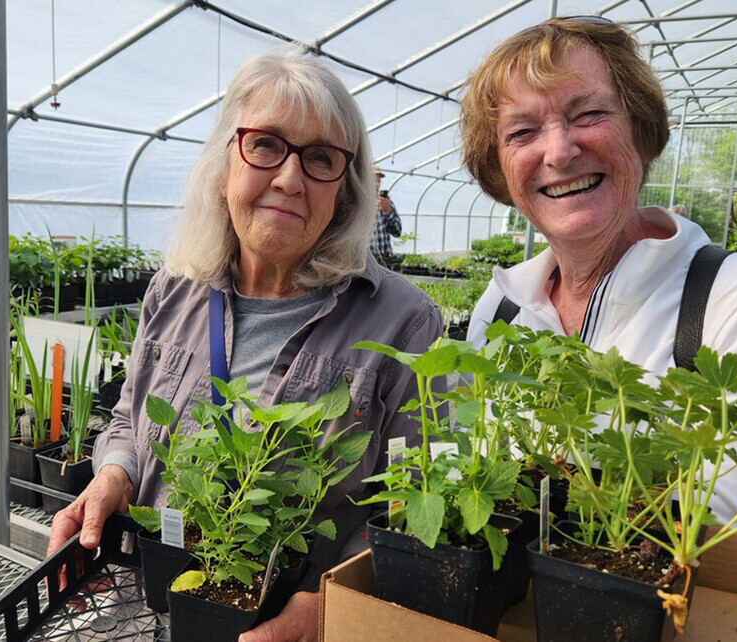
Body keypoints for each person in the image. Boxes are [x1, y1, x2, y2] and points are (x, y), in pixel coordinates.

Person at [47, 50, 441, 642]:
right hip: (158, 605)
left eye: (321, 158)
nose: (289, 178)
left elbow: (408, 502)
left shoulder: (403, 323)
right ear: (226, 160)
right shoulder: (174, 289)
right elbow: (130, 422)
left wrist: (323, 608)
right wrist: (111, 480)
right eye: (265, 145)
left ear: (347, 186)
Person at [460, 17, 737, 531]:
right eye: (522, 132)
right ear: (499, 167)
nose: (560, 152)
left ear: (642, 131)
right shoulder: (500, 308)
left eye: (588, 114)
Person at [369, 166, 401, 266]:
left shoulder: (388, 204)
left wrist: (388, 212)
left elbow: (397, 232)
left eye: (379, 181)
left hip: (384, 258)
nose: (377, 184)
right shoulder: (359, 203)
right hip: (366, 257)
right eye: (374, 180)